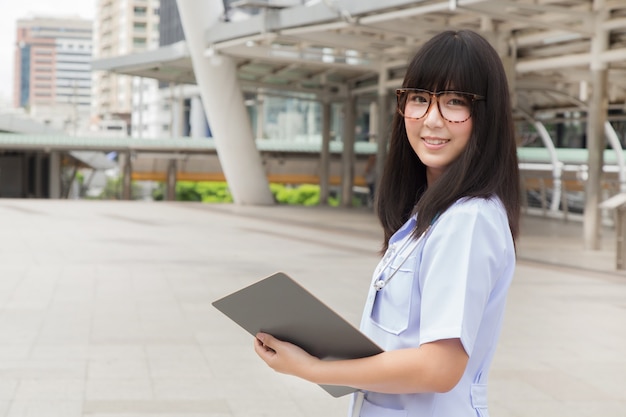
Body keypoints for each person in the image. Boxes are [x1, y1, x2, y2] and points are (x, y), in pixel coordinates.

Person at [254, 29, 520, 417]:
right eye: (419, 99)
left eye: (455, 102)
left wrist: (314, 369)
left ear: (486, 114)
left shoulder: (468, 220)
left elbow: (439, 367)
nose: (432, 119)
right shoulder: (429, 216)